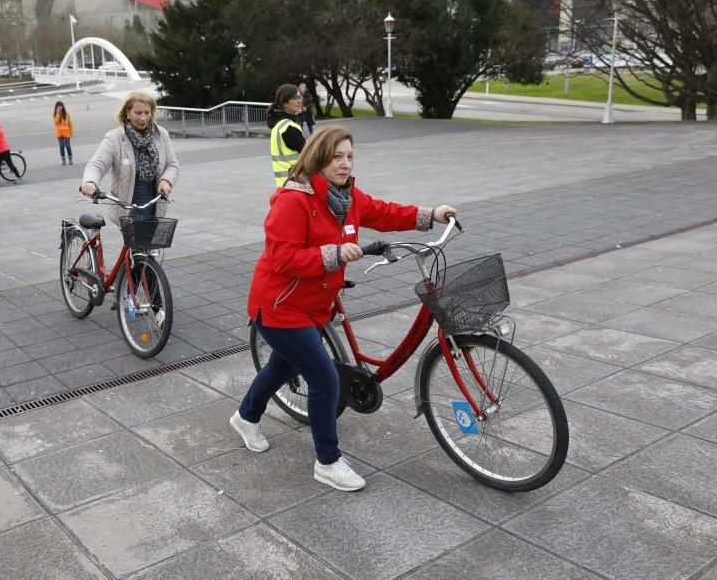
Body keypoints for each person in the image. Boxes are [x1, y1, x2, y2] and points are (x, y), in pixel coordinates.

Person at [230, 125, 458, 492]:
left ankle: (245, 417)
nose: (345, 164)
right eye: (337, 156)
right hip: (280, 306)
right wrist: (333, 254)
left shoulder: (347, 197)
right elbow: (282, 257)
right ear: (319, 157)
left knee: (280, 366)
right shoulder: (294, 199)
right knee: (324, 379)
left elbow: (384, 213)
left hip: (315, 303)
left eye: (350, 156)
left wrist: (430, 215)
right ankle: (328, 461)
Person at [80, 90, 179, 221]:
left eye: (147, 113)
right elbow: (97, 164)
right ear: (127, 113)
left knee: (151, 241)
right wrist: (90, 182)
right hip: (126, 209)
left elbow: (172, 165)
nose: (143, 118)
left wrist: (166, 181)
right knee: (132, 241)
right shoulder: (114, 138)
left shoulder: (161, 134)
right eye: (138, 113)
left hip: (154, 207)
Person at [268, 83, 306, 188]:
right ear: (284, 102)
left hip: (285, 185)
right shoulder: (288, 128)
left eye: (300, 97)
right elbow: (310, 153)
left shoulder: (279, 124)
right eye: (295, 98)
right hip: (295, 185)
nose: (300, 101)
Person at [53, 101, 74, 165]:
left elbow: (70, 123)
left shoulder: (67, 114)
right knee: (61, 146)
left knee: (67, 146)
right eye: (58, 106)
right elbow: (55, 122)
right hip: (59, 133)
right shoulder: (55, 114)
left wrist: (71, 132)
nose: (59, 107)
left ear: (63, 106)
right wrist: (58, 113)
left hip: (67, 133)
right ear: (56, 107)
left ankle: (70, 159)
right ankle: (63, 160)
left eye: (60, 106)